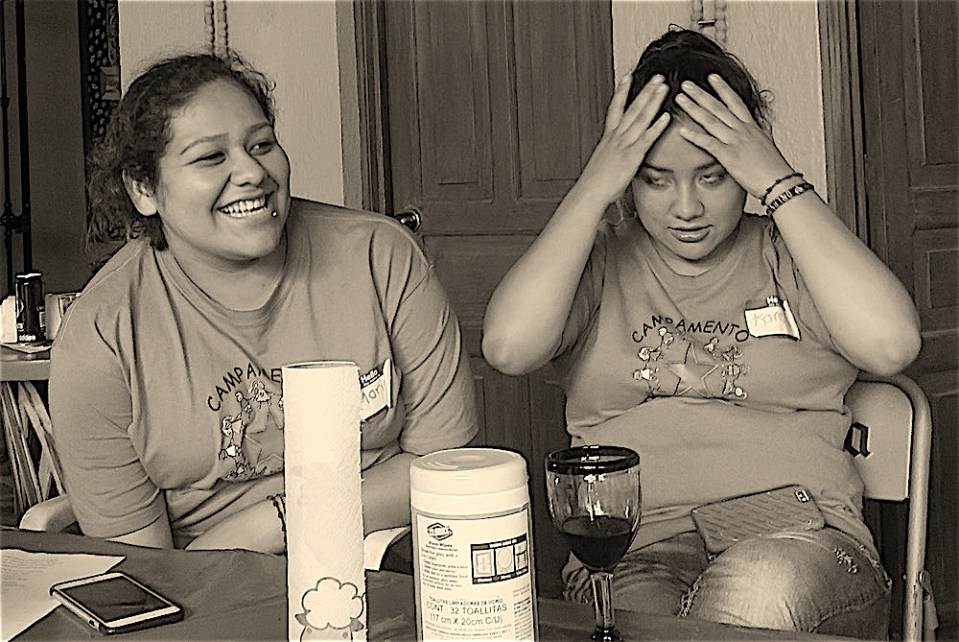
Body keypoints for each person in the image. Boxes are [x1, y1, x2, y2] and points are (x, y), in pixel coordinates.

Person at [483, 28, 921, 638]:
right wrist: (592, 188)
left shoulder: (792, 253)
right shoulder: (600, 260)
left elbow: (892, 345)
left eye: (713, 177)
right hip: (633, 551)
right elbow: (508, 348)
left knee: (755, 588)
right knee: (645, 621)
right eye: (655, 179)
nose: (686, 207)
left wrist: (778, 179)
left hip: (801, 543)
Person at [49, 51, 479, 553]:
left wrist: (275, 523)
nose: (252, 172)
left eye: (261, 144)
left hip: (386, 554)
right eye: (211, 157)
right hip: (209, 579)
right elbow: (146, 567)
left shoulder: (380, 257)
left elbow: (445, 466)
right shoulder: (102, 334)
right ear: (144, 189)